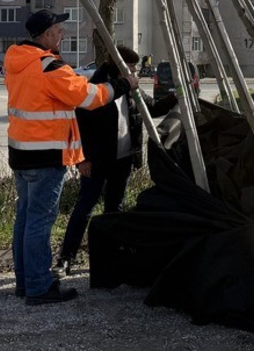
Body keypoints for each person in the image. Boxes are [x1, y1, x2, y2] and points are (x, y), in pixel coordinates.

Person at [5, 9, 138, 305]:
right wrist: (123, 85)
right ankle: (39, 287)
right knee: (39, 221)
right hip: (46, 155)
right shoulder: (49, 66)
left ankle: (25, 281)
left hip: (22, 152)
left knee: (25, 218)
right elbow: (88, 97)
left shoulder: (16, 61)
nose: (63, 34)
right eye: (59, 30)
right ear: (47, 34)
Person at [55, 45, 177, 272]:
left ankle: (110, 256)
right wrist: (82, 160)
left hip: (123, 159)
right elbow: (80, 126)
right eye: (130, 67)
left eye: (135, 67)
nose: (134, 71)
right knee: (85, 207)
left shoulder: (131, 89)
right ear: (117, 65)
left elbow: (152, 108)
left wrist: (176, 96)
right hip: (97, 160)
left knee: (115, 208)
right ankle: (66, 257)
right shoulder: (95, 87)